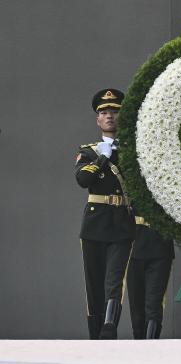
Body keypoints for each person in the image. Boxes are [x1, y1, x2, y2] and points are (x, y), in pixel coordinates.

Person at [75, 89, 134, 339]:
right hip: (95, 224)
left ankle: (109, 327)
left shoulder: (132, 151)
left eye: (114, 111)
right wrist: (102, 158)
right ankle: (95, 334)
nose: (110, 116)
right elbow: (83, 179)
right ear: (98, 119)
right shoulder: (89, 151)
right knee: (94, 283)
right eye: (104, 112)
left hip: (122, 223)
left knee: (115, 279)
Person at [126, 197, 175, 339]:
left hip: (160, 248)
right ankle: (140, 346)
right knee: (137, 309)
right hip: (134, 246)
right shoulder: (131, 183)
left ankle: (151, 346)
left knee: (153, 306)